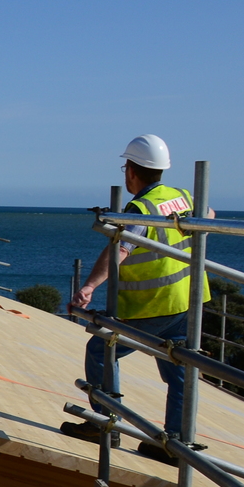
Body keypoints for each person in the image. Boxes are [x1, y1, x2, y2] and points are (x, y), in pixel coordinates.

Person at [59, 134, 211, 464]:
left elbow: (119, 250)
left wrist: (89, 287)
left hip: (154, 305)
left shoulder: (140, 208)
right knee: (179, 369)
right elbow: (209, 215)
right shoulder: (181, 195)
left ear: (130, 170)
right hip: (189, 301)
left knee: (102, 348)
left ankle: (105, 424)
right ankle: (176, 443)